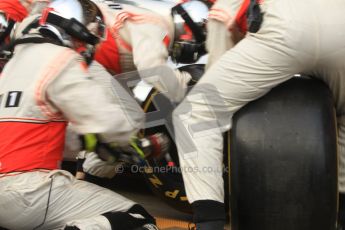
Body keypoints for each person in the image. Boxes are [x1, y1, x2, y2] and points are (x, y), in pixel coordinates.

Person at [173, 0, 345, 229]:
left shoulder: (220, 5)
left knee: (199, 113)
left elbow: (216, 61)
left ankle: (209, 222)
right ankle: (341, 211)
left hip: (286, 30)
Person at [0, 0, 158, 229]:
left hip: (9, 194)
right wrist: (140, 143)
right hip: (30, 192)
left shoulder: (12, 67)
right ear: (75, 29)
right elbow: (109, 122)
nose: (86, 47)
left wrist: (89, 142)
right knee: (136, 218)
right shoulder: (61, 59)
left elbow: (38, 133)